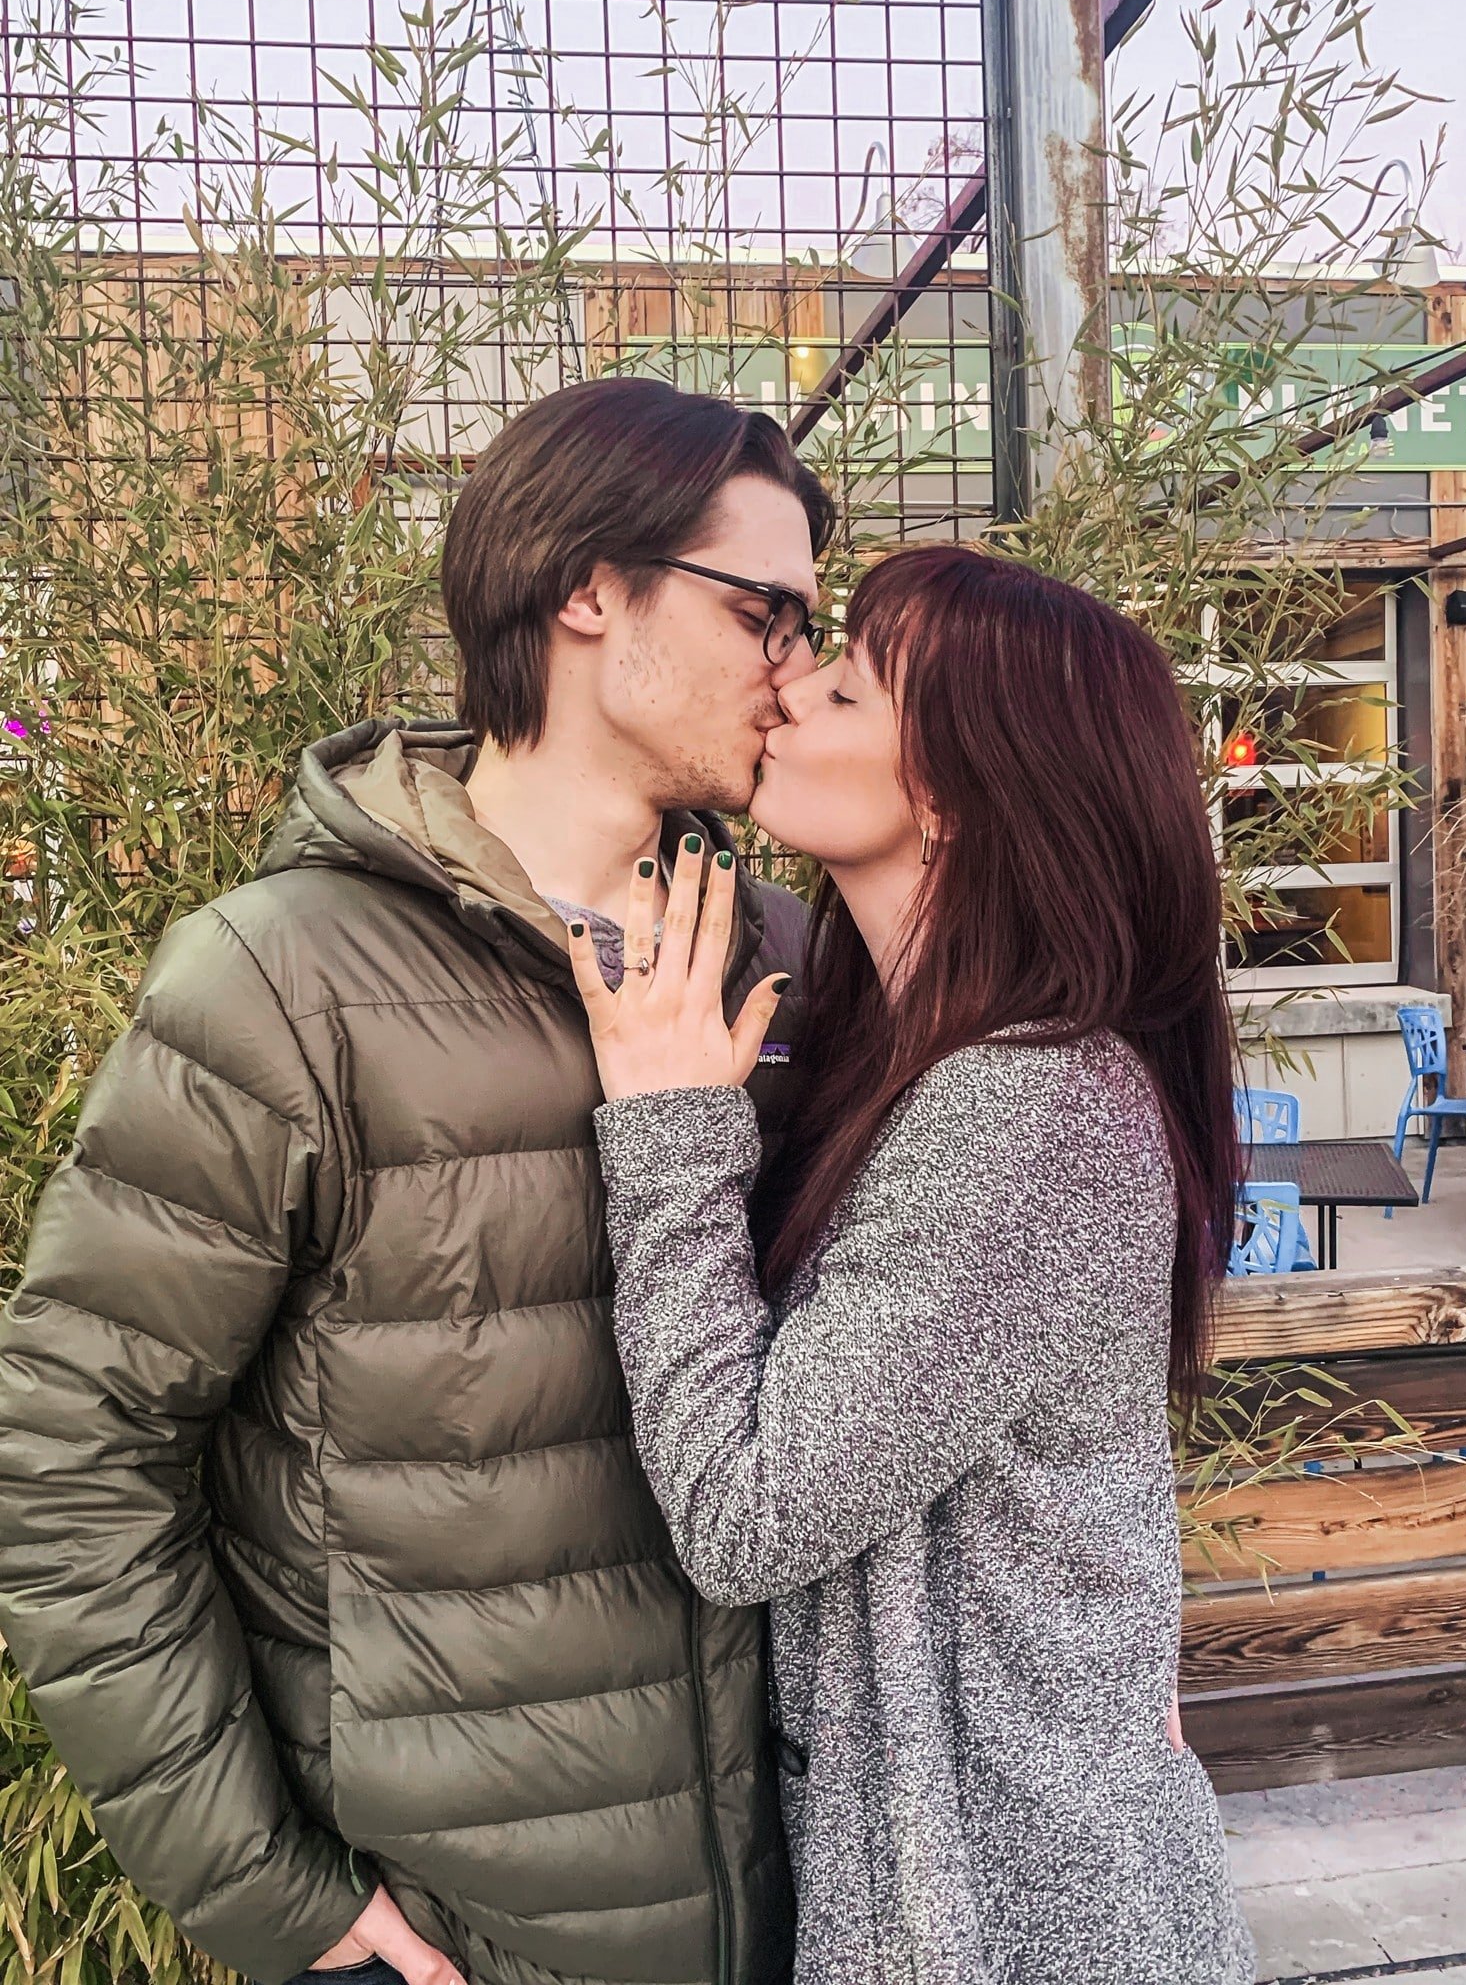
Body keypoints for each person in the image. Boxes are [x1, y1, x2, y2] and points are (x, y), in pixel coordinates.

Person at [0, 379, 835, 1985]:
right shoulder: (284, 983)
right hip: (458, 1930)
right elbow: (71, 1456)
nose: (794, 670)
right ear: (591, 589)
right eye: (766, 611)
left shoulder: (792, 969)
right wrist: (271, 1895)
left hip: (807, 1904)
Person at [566, 544, 1259, 1985]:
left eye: (846, 680)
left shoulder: (1031, 1107)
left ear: (952, 785)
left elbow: (746, 1517)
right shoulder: (920, 1060)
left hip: (1014, 1909)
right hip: (977, 1862)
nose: (788, 687)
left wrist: (670, 1124)